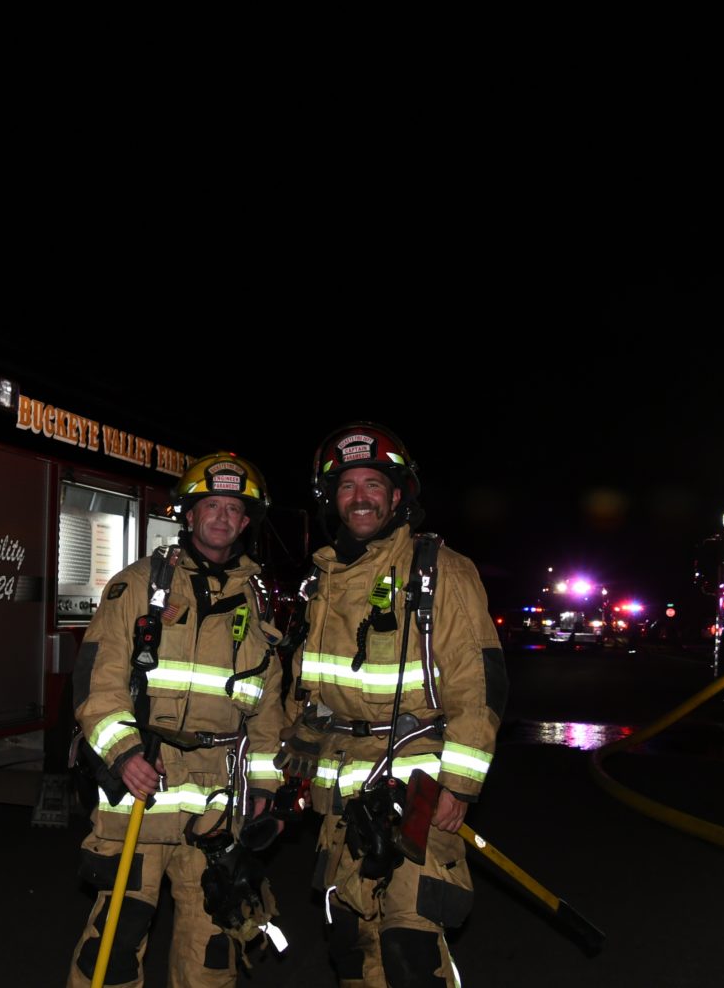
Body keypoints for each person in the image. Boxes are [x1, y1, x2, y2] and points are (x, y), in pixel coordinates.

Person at [279, 423, 508, 987]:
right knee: (353, 950)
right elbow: (304, 689)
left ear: (398, 493)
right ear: (332, 499)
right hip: (341, 797)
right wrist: (287, 764)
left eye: (373, 484)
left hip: (417, 791)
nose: (360, 497)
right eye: (347, 486)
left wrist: (459, 784)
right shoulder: (321, 580)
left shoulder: (440, 571)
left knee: (410, 950)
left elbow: (478, 685)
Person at [66, 452, 285, 988]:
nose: (222, 517)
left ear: (246, 522)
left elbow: (267, 708)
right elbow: (97, 685)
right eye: (211, 505)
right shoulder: (138, 586)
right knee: (115, 941)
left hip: (216, 806)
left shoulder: (259, 603)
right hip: (142, 792)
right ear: (189, 514)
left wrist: (264, 787)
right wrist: (123, 754)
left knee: (211, 949)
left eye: (234, 509)